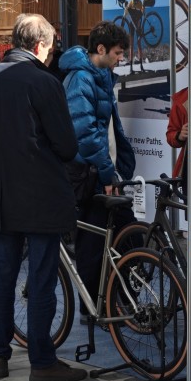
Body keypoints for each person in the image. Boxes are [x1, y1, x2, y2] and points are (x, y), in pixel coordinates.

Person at [0, 14, 84, 381]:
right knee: (41, 278)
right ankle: (42, 361)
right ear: (39, 45)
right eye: (50, 48)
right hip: (39, 196)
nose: (50, 55)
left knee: (3, 276)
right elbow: (66, 145)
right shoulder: (44, 82)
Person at [59, 22, 135, 292]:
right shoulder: (81, 78)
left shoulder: (100, 76)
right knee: (92, 244)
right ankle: (92, 306)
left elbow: (106, 128)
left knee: (127, 234)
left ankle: (118, 299)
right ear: (100, 49)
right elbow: (86, 134)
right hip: (90, 176)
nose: (120, 58)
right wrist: (107, 174)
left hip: (104, 172)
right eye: (117, 52)